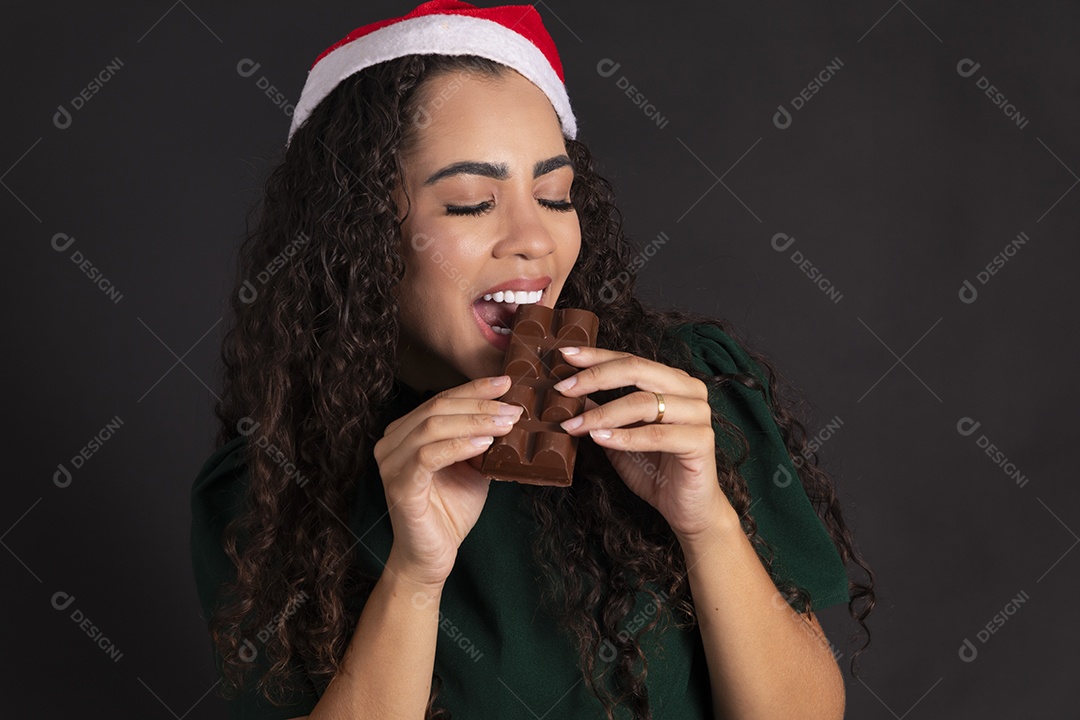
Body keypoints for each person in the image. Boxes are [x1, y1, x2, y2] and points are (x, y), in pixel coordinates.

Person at [189, 1, 877, 718]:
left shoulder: (683, 398)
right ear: (357, 237)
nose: (534, 239)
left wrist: (706, 524)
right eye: (469, 203)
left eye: (554, 195)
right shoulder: (267, 491)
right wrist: (416, 577)